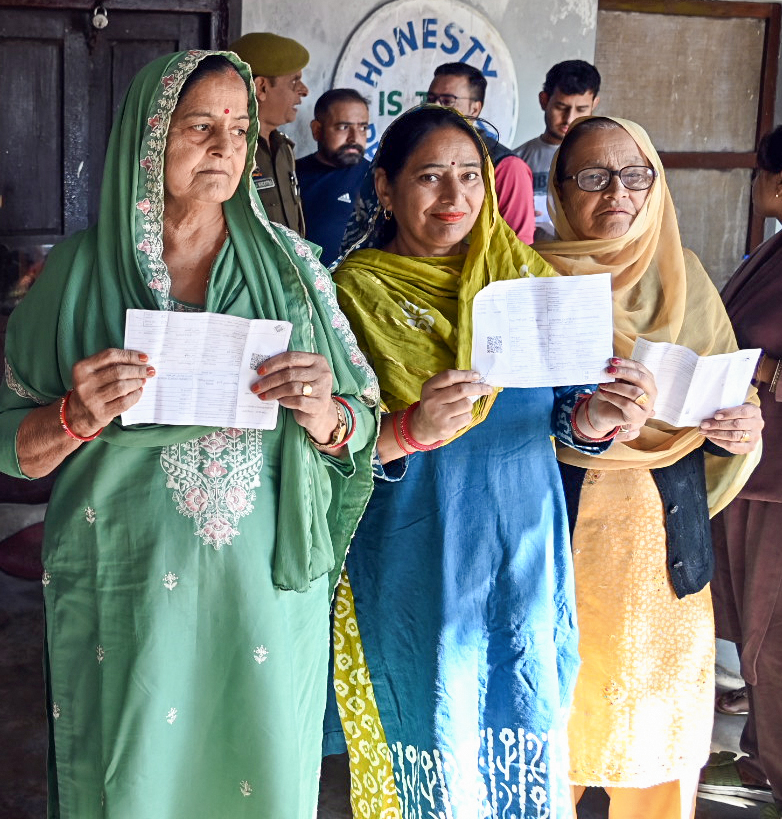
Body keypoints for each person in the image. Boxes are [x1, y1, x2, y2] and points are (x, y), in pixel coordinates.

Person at [0, 50, 379, 818]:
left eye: (239, 128)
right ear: (148, 137)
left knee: (257, 774)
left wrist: (326, 413)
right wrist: (72, 417)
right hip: (128, 583)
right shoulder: (75, 277)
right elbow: (3, 443)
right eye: (200, 126)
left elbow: (360, 425)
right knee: (136, 780)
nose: (226, 147)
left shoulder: (294, 271)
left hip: (259, 590)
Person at [330, 104, 643, 819]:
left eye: (469, 176)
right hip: (413, 558)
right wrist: (409, 426)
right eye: (430, 177)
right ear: (384, 188)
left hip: (522, 549)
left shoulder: (523, 282)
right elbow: (328, 449)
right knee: (428, 740)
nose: (454, 198)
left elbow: (568, 410)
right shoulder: (349, 297)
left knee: (521, 731)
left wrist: (597, 417)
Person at [538, 116, 762, 819]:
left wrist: (740, 428)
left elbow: (726, 406)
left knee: (658, 744)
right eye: (593, 176)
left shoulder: (685, 277)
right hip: (552, 549)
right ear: (559, 189)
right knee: (548, 740)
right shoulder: (528, 281)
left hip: (663, 551)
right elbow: (498, 427)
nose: (618, 194)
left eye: (636, 175)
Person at [708, 125, 782, 811]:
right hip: (751, 468)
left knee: (771, 634)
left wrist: (758, 368)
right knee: (757, 629)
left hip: (777, 483)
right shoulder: (773, 247)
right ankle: (763, 755)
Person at [424, 61, 536, 243]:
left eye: (447, 101)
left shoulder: (506, 167)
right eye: (431, 99)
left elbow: (519, 250)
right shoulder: (417, 154)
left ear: (475, 109)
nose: (435, 107)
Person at [228, 31, 309, 234]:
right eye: (294, 81)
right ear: (261, 87)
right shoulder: (230, 148)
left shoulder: (283, 148)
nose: (304, 90)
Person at [514, 60, 602, 240]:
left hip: (582, 261)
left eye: (581, 109)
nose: (569, 118)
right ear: (544, 100)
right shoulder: (516, 160)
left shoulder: (602, 160)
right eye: (561, 107)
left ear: (594, 105)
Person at [295, 88, 371, 263]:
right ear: (317, 130)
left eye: (362, 127)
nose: (354, 138)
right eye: (344, 127)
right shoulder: (291, 174)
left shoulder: (379, 180)